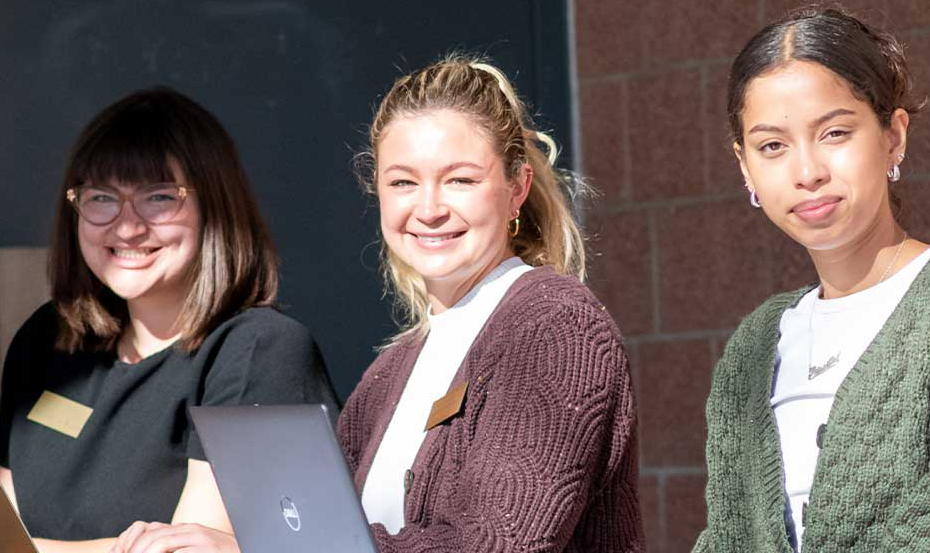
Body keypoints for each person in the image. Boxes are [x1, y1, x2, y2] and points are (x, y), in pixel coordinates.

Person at [694, 7, 930, 552]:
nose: (808, 173)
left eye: (834, 132)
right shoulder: (754, 348)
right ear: (744, 167)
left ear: (893, 136)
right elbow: (728, 536)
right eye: (772, 146)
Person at [0, 87, 338, 553]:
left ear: (215, 206)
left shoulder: (258, 352)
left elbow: (183, 550)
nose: (127, 226)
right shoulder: (48, 338)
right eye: (102, 197)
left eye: (158, 197)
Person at [332, 54, 643, 552]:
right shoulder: (385, 377)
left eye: (460, 179)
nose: (429, 209)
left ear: (516, 188)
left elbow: (498, 544)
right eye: (403, 182)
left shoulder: (558, 326)